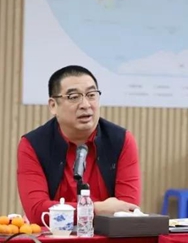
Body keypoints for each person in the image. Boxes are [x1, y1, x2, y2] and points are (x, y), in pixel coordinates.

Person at [17, 65, 141, 224]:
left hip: (107, 237)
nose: (85, 105)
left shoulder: (121, 140)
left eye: (91, 95)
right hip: (54, 236)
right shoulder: (33, 145)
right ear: (53, 106)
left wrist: (70, 212)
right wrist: (95, 209)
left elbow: (127, 210)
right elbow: (37, 211)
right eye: (74, 97)